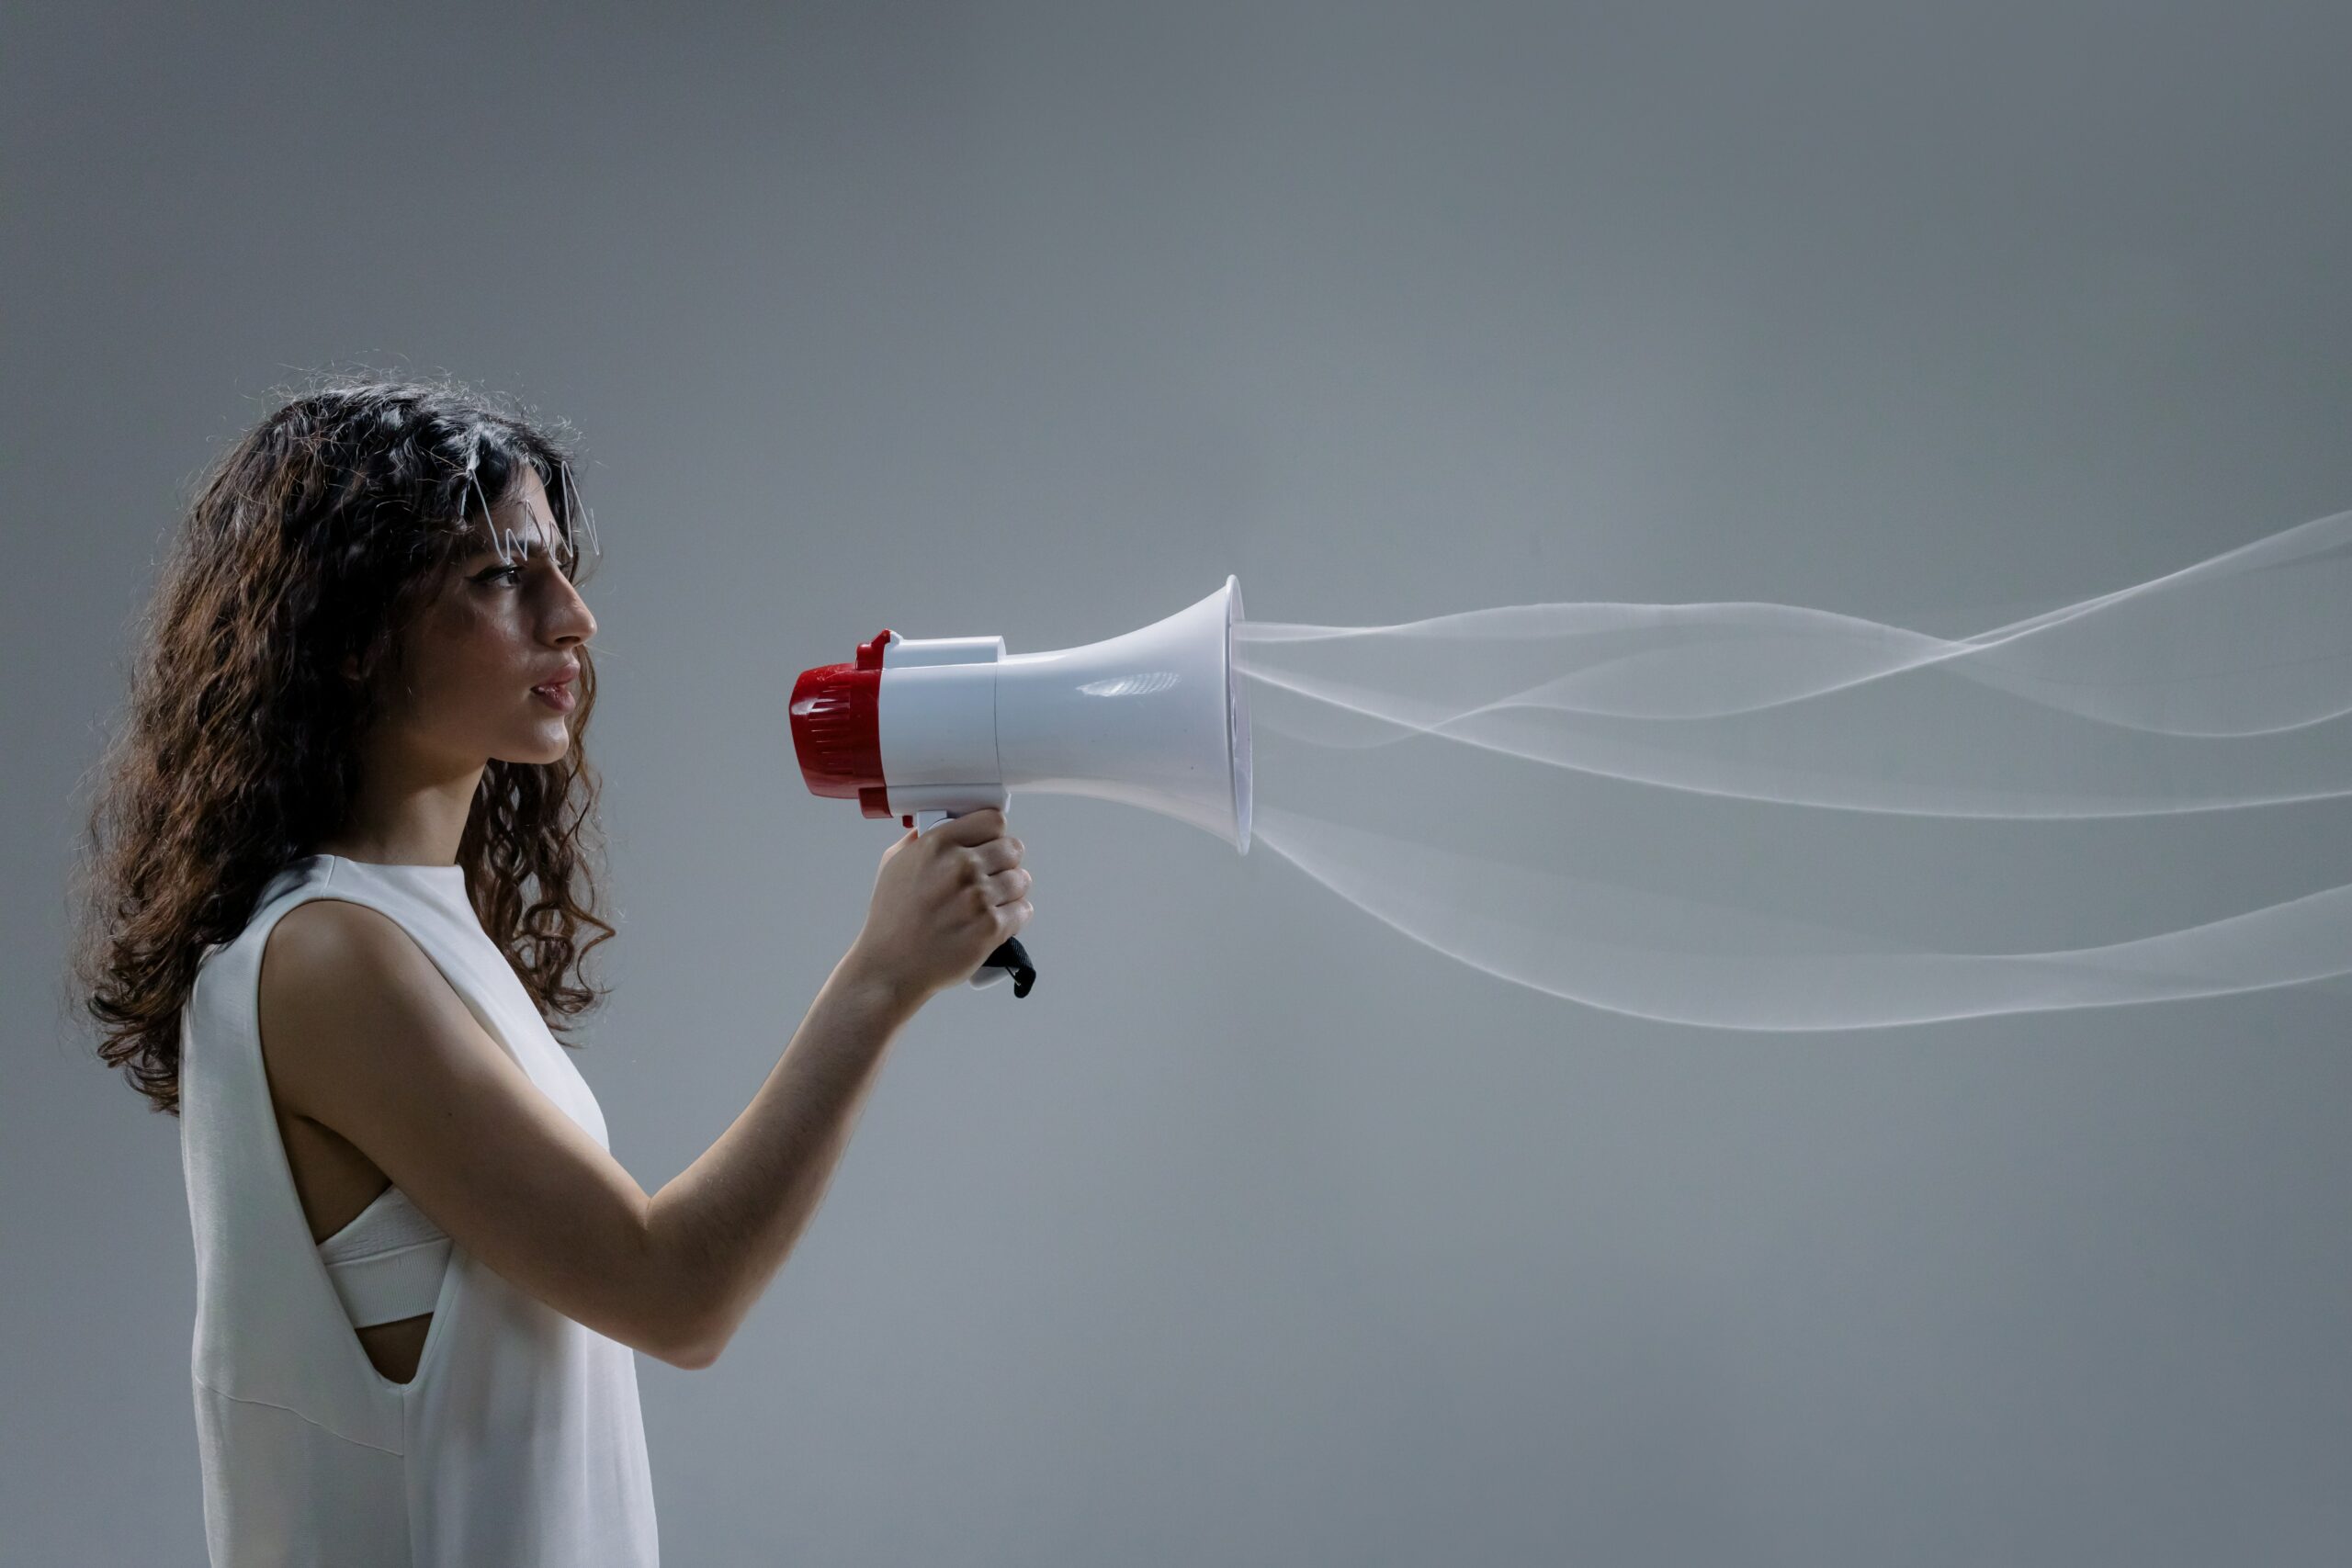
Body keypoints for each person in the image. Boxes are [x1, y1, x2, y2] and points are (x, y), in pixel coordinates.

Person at [69, 379, 1034, 1566]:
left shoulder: (412, 933)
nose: (571, 616)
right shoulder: (325, 959)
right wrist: (880, 979)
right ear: (354, 631)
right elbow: (673, 1290)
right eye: (499, 576)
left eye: (560, 569)